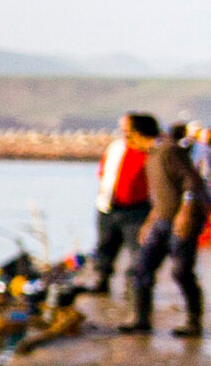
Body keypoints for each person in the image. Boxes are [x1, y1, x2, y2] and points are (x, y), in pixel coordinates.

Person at [124, 120, 208, 337]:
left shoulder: (169, 151)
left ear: (137, 133)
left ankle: (194, 322)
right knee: (141, 269)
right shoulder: (152, 155)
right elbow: (161, 194)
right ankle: (141, 319)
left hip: (182, 222)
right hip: (161, 221)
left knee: (181, 271)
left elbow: (193, 183)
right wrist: (149, 222)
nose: (125, 138)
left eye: (127, 133)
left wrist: (184, 215)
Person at [89, 112, 159, 293]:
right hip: (108, 207)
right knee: (105, 245)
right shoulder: (116, 147)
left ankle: (135, 285)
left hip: (136, 209)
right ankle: (102, 280)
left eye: (127, 128)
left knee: (137, 249)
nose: (124, 132)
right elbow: (104, 171)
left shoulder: (148, 150)